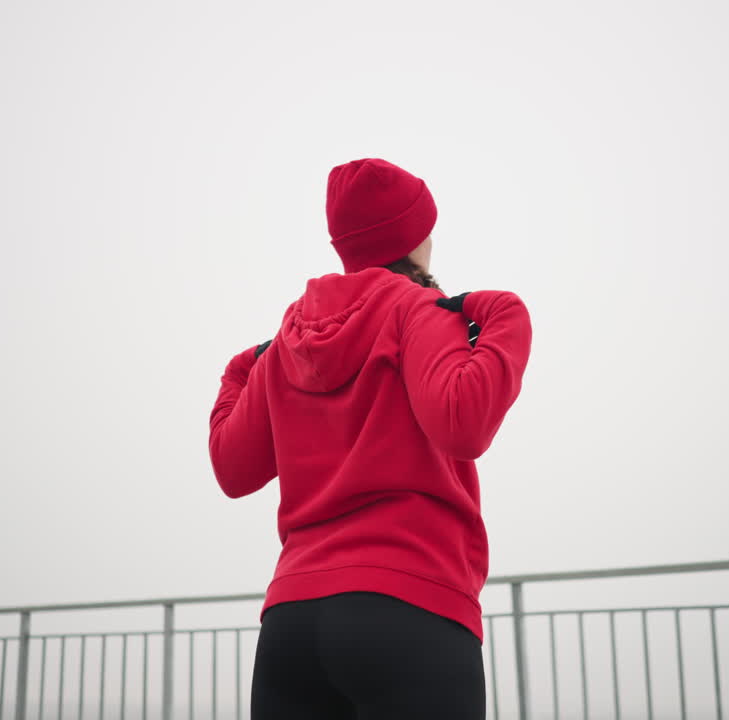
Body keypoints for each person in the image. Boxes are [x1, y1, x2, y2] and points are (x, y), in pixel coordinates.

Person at [209, 158, 532, 719]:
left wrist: (242, 373)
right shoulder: (418, 310)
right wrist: (506, 315)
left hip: (292, 625)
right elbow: (464, 423)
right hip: (411, 608)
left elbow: (233, 470)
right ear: (415, 236)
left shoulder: (290, 335)